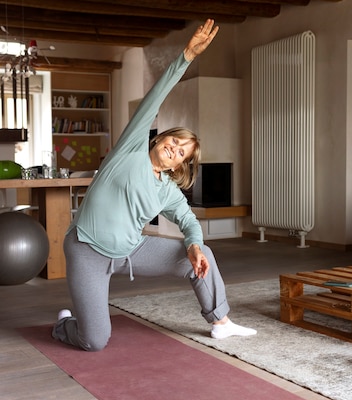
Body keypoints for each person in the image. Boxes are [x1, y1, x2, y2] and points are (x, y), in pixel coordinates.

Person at [52, 19, 256, 351]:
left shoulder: (167, 190)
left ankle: (220, 322)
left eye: (181, 152)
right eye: (174, 141)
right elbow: (155, 98)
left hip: (130, 251)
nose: (174, 149)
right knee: (94, 340)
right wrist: (186, 57)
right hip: (87, 250)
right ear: (160, 139)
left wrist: (192, 246)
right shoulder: (129, 151)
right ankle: (64, 324)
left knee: (202, 251)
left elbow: (188, 220)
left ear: (179, 164)